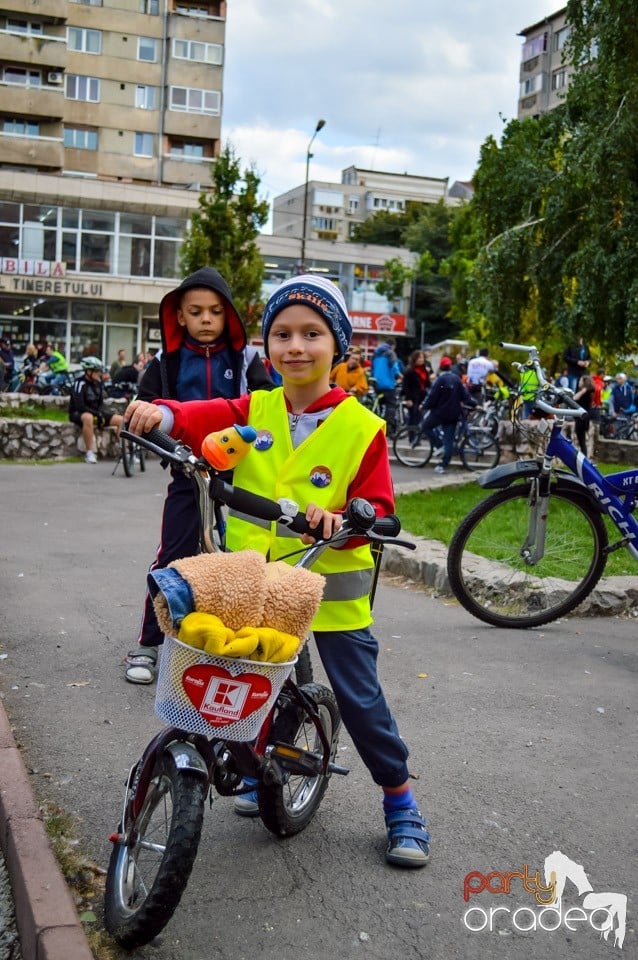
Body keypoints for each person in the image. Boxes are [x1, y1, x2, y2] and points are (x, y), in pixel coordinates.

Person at [124, 273, 431, 869]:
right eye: (283, 334)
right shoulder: (257, 405)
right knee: (238, 676)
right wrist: (159, 412)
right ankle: (256, 768)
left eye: (312, 334)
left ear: (338, 347)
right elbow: (199, 415)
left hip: (331, 589)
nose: (296, 346)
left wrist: (342, 515)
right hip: (253, 584)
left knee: (359, 698)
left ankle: (400, 799)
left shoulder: (362, 428)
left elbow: (381, 508)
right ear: (267, 344)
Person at [124, 267, 274, 685]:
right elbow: (143, 409)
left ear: (229, 316)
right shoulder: (166, 361)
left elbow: (266, 407)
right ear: (180, 317)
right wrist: (151, 427)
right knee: (172, 554)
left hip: (241, 476)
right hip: (188, 472)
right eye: (196, 311)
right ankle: (148, 644)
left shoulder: (245, 359)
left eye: (215, 311)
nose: (206, 319)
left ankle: (231, 647)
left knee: (239, 560)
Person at [421, 356, 476, 473]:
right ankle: (443, 465)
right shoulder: (456, 379)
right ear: (450, 367)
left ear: (440, 367)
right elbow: (465, 395)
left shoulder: (440, 380)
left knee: (425, 426)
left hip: (440, 413)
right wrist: (474, 404)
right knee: (449, 440)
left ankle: (439, 445)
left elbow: (433, 396)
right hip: (454, 414)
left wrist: (424, 406)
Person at [68, 356, 124, 462]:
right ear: (89, 371)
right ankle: (89, 453)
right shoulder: (79, 383)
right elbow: (80, 406)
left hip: (96, 413)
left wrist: (100, 414)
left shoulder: (97, 384)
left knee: (120, 420)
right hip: (78, 413)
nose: (99, 374)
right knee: (88, 417)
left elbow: (100, 403)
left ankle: (125, 453)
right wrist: (96, 414)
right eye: (97, 371)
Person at [371, 339, 402, 435]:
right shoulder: (390, 353)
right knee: (391, 406)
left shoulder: (375, 354)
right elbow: (394, 366)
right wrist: (399, 375)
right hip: (388, 385)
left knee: (380, 406)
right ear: (393, 346)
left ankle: (378, 426)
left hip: (377, 385)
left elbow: (372, 369)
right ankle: (389, 429)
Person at [401, 349, 429, 426]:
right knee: (413, 418)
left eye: (422, 358)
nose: (421, 359)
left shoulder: (424, 370)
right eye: (419, 358)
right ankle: (412, 436)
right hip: (413, 398)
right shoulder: (409, 371)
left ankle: (417, 436)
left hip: (422, 397)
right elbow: (405, 385)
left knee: (420, 417)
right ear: (415, 359)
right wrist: (408, 399)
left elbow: (427, 383)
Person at [573, 374, 595, 455]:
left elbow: (575, 398)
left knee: (581, 439)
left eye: (580, 381)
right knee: (581, 439)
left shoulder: (586, 391)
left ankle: (584, 456)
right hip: (581, 417)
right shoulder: (586, 391)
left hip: (582, 418)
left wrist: (582, 390)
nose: (579, 382)